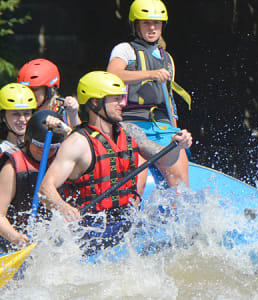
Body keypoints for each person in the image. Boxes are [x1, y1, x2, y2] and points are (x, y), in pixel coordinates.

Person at [38, 71, 192, 255]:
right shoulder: (77, 143)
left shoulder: (130, 131)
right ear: (95, 102)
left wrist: (176, 145)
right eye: (116, 99)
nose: (123, 104)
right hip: (92, 235)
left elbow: (163, 157)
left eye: (122, 98)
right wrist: (63, 207)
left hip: (126, 226)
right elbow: (45, 189)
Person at [107, 0, 191, 188]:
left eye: (156, 23)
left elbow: (169, 101)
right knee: (139, 178)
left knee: (181, 185)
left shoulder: (167, 58)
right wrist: (150, 74)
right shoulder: (125, 50)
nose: (152, 28)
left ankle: (179, 215)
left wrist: (174, 130)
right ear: (136, 25)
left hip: (161, 126)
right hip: (130, 124)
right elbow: (112, 75)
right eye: (146, 23)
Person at [0, 110, 67, 252]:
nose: (45, 151)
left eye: (51, 147)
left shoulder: (60, 161)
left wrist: (64, 127)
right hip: (12, 238)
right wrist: (16, 238)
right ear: (28, 140)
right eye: (39, 145)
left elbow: (81, 140)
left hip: (47, 238)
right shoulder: (12, 166)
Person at [17, 58, 81, 127]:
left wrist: (73, 115)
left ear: (50, 90)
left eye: (34, 89)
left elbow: (79, 134)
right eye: (26, 89)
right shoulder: (18, 112)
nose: (28, 93)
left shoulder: (63, 111)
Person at [0, 83, 37, 153]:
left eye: (27, 113)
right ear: (3, 117)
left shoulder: (39, 148)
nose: (22, 119)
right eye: (15, 114)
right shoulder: (2, 150)